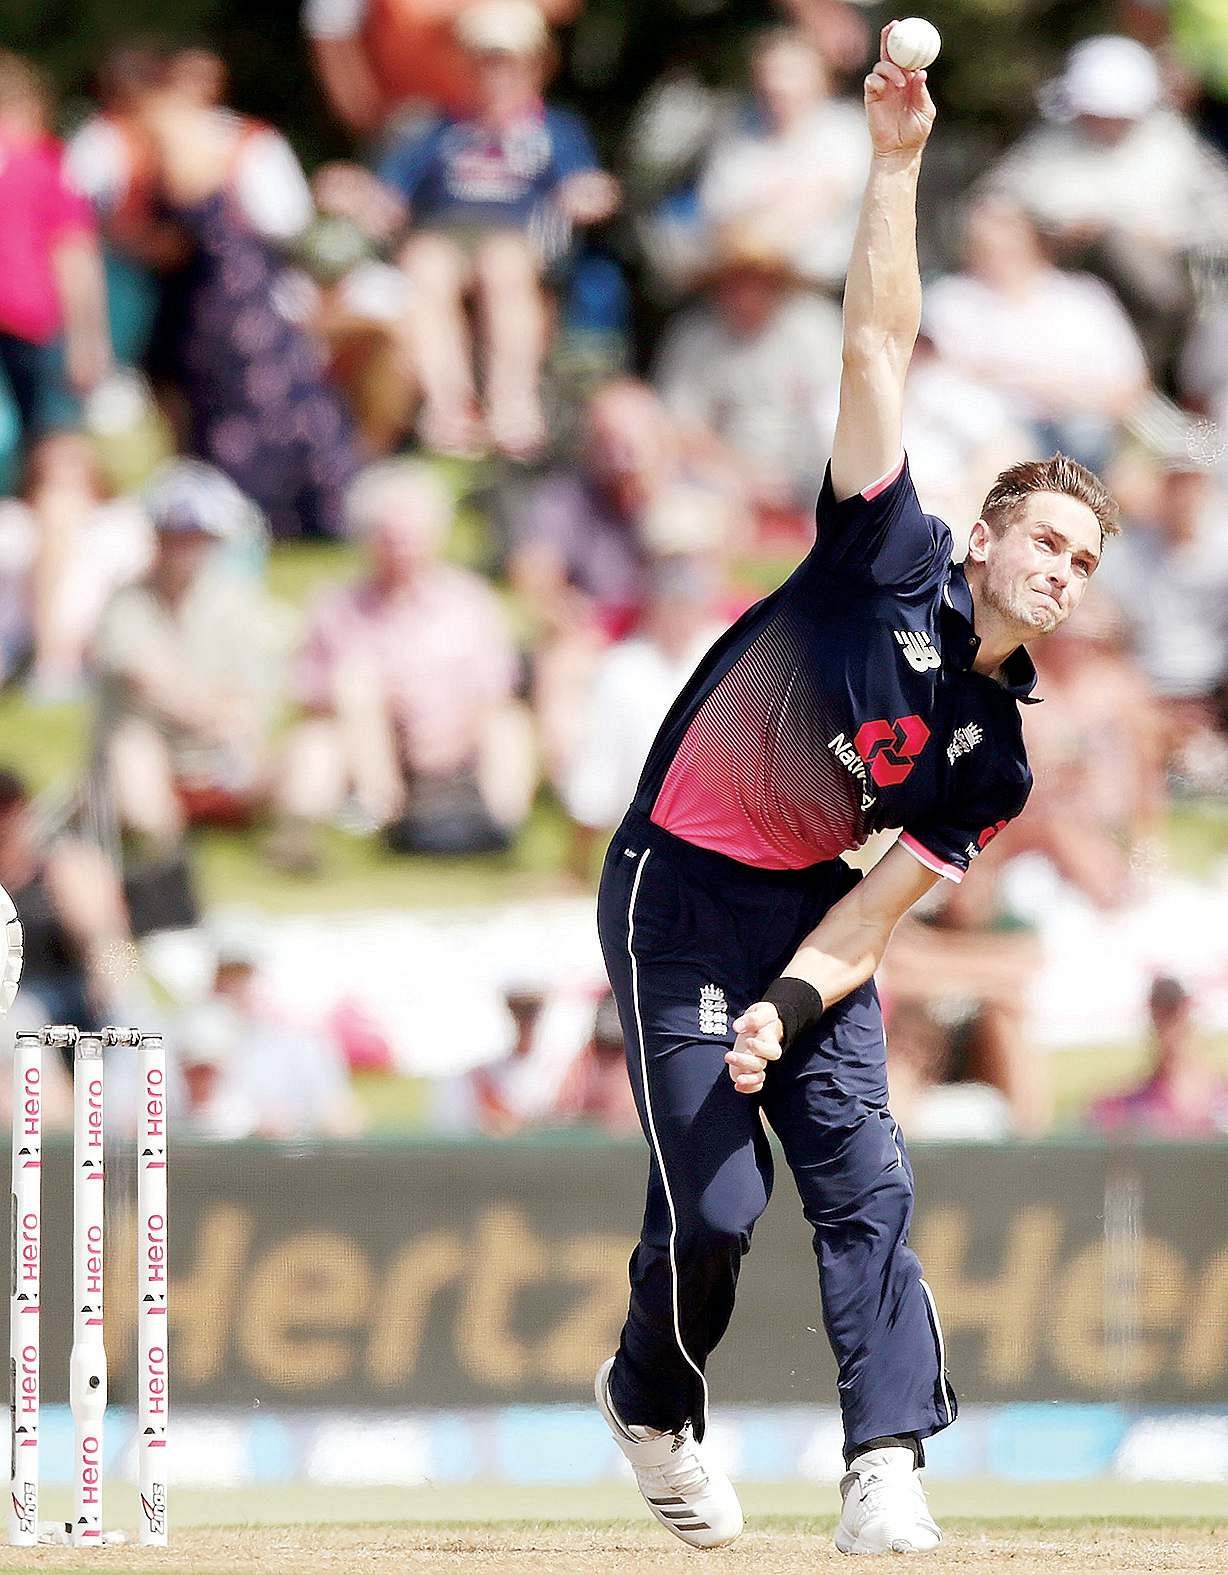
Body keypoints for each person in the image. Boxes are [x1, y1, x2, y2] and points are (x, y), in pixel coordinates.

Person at [592, 31, 1118, 1557]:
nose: (1063, 571)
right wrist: (895, 164)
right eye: (1045, 541)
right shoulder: (885, 552)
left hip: (807, 920)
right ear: (985, 537)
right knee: (715, 1211)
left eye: (1086, 563)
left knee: (864, 1177)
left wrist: (789, 1003)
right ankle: (649, 1399)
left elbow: (877, 915)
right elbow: (878, 347)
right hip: (678, 884)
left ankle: (886, 1459)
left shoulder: (997, 752)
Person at [378, 0, 619, 457]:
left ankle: (513, 404)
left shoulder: (557, 130)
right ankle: (448, 407)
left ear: (536, 67)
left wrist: (588, 196)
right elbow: (389, 194)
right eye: (483, 63)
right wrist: (361, 198)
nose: (494, 76)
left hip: (525, 239)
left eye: (506, 63)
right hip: (443, 236)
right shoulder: (433, 128)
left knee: (503, 264)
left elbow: (586, 188)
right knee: (424, 265)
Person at [272, 460, 533, 868]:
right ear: (366, 540)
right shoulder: (336, 607)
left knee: (509, 726)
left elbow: (496, 691)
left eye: (411, 536)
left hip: (458, 742)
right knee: (334, 719)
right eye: (389, 538)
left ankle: (498, 830)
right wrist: (383, 705)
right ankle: (326, 834)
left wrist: (443, 730)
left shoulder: (469, 601)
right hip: (368, 749)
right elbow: (310, 698)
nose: (401, 549)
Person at [1087, 975, 1228, 1136]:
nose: (1171, 1031)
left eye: (1175, 1017)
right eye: (1162, 1018)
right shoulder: (1122, 1107)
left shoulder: (1220, 1098)